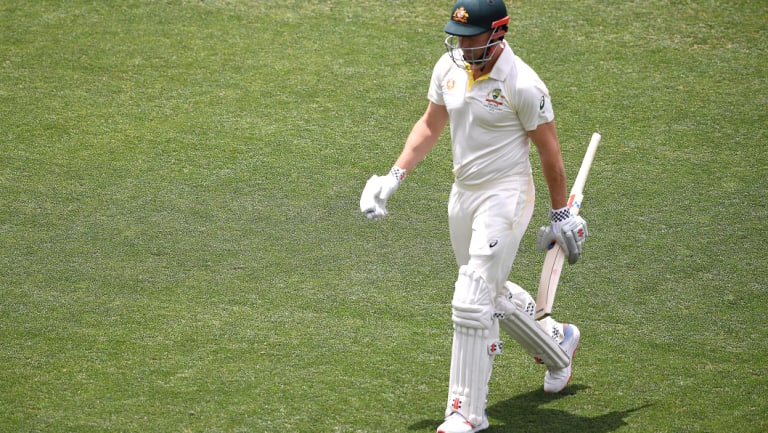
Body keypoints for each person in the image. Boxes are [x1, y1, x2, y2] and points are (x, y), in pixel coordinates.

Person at [359, 1, 588, 432]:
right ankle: (559, 343)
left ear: (497, 33)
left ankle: (466, 414)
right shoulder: (448, 68)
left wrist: (561, 214)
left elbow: (550, 154)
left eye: (471, 37)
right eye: (457, 35)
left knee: (470, 299)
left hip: (506, 196)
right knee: (487, 291)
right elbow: (430, 124)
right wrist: (392, 177)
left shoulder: (524, 85)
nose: (461, 45)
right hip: (462, 194)